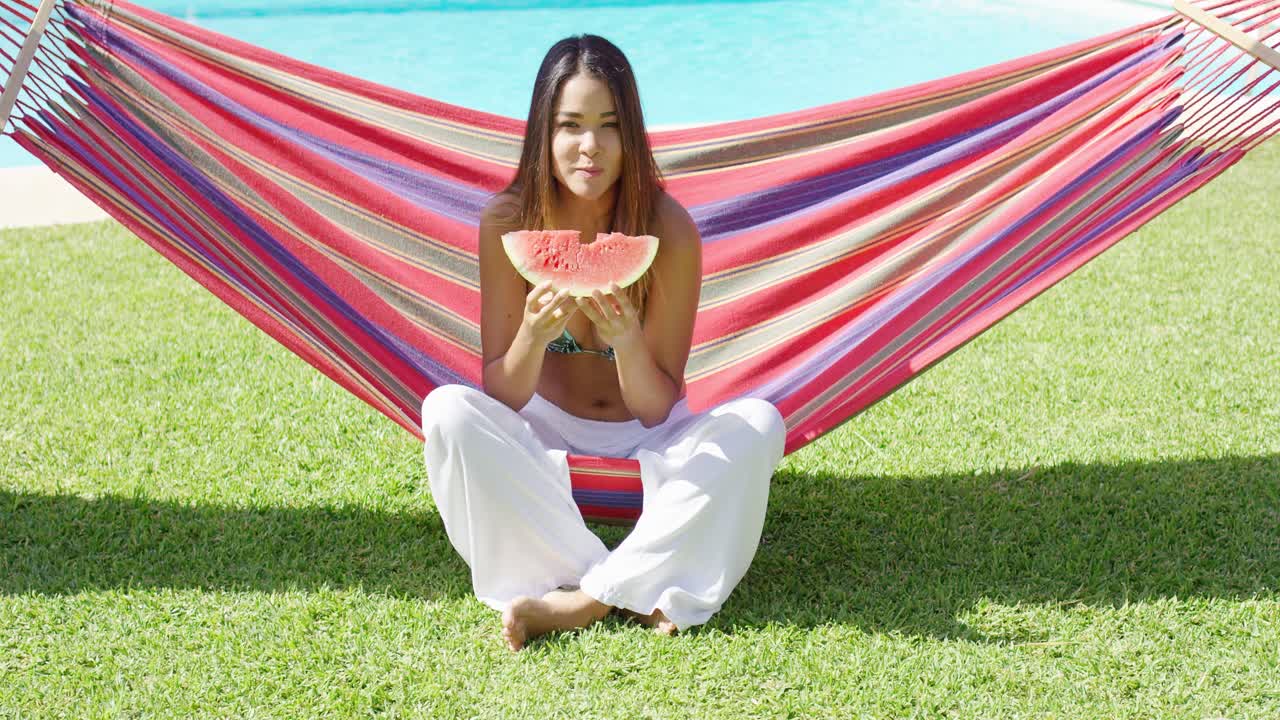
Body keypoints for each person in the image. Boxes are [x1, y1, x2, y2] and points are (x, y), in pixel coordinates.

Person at [420, 34, 785, 652]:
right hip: (539, 432)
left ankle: (583, 599)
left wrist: (627, 343)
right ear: (544, 132)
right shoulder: (507, 223)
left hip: (649, 434)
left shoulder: (668, 229)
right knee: (446, 413)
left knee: (759, 424)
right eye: (571, 126)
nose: (590, 147)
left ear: (631, 134)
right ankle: (634, 584)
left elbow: (654, 405)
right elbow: (504, 392)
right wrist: (533, 335)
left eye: (609, 126)